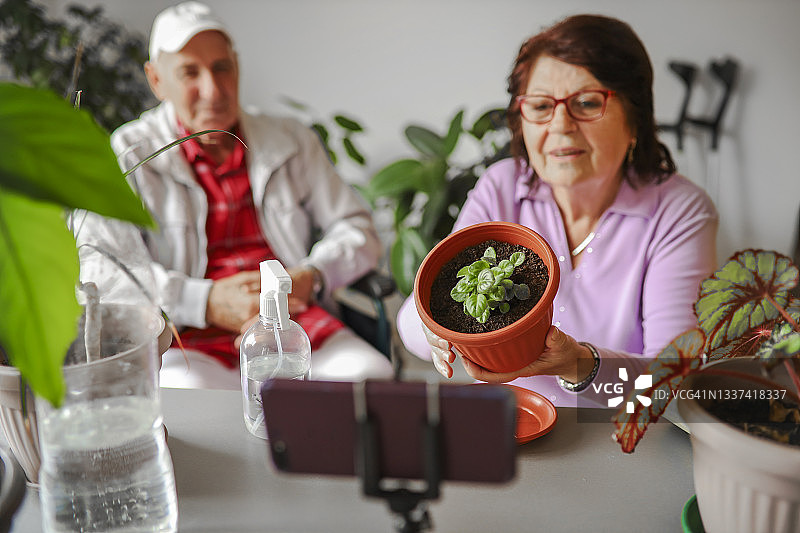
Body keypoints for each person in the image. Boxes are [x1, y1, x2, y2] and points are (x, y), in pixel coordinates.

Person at [396, 14, 719, 407]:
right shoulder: (502, 187)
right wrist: (439, 331)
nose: (561, 124)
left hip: (611, 440)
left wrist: (578, 363)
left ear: (636, 117)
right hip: (507, 429)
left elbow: (676, 381)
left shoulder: (679, 212)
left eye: (586, 103)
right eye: (541, 105)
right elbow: (412, 321)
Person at [76, 1, 393, 388]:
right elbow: (103, 271)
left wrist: (311, 276)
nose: (212, 90)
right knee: (192, 406)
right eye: (190, 72)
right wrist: (204, 301)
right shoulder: (128, 152)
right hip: (187, 337)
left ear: (237, 67)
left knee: (370, 379)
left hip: (293, 321)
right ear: (156, 80)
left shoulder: (290, 139)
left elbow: (359, 231)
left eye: (221, 67)